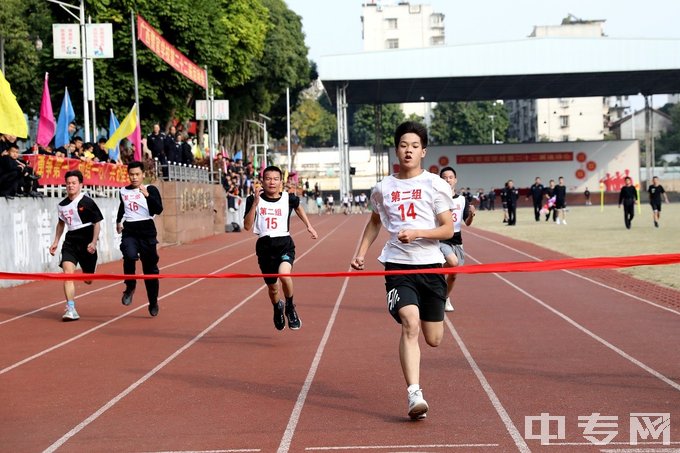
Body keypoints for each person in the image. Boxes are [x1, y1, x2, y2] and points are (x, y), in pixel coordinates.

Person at [350, 121, 454, 420]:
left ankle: (430, 321)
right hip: (398, 266)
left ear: (424, 151)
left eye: (414, 146)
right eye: (403, 145)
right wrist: (360, 254)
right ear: (396, 150)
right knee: (410, 322)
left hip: (431, 267)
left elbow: (447, 229)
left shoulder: (435, 184)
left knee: (433, 338)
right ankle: (414, 394)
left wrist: (420, 232)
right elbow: (374, 222)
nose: (408, 150)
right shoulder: (384, 188)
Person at [243, 165, 318, 331]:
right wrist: (255, 204)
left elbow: (298, 207)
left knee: (284, 275)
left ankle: (290, 307)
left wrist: (309, 226)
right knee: (273, 288)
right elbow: (247, 226)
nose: (272, 182)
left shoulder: (288, 198)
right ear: (262, 181)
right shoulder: (253, 199)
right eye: (268, 178)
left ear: (280, 182)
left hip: (284, 244)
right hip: (264, 247)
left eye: (275, 179)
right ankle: (277, 307)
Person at [49, 170, 103, 321]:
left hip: (87, 240)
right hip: (71, 241)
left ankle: (90, 271)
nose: (70, 186)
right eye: (68, 183)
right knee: (68, 274)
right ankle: (70, 308)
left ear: (80, 184)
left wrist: (93, 241)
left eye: (74, 183)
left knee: (88, 279)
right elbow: (60, 224)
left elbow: (97, 223)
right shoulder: (61, 205)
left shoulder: (87, 202)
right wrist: (55, 242)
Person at [116, 161, 164, 316]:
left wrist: (147, 196)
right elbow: (122, 207)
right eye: (131, 174)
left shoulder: (150, 189)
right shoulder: (123, 191)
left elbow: (158, 209)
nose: (134, 177)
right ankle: (130, 287)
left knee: (150, 270)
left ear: (143, 174)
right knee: (129, 255)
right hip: (130, 229)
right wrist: (118, 221)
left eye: (137, 174)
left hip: (147, 230)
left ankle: (153, 301)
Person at [439, 167, 475, 312]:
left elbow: (467, 222)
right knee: (453, 263)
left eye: (450, 177)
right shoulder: (437, 198)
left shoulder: (462, 199)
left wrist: (472, 215)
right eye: (444, 177)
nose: (447, 180)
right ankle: (433, 273)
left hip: (456, 239)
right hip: (442, 238)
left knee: (453, 275)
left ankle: (445, 297)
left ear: (455, 180)